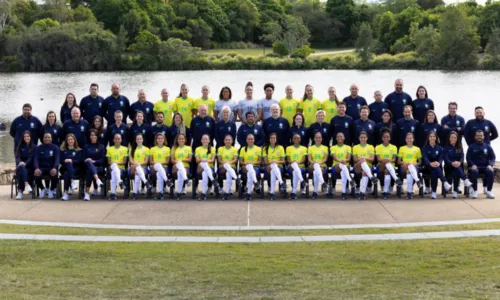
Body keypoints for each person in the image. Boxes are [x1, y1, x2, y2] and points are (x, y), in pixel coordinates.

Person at [422, 131, 452, 199]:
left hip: (437, 166)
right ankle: (445, 182)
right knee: (435, 169)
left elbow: (441, 158)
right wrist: (430, 163)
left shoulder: (439, 148)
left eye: (433, 136)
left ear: (436, 138)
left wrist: (438, 163)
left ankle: (434, 192)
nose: (432, 138)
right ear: (428, 138)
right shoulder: (425, 148)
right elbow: (425, 159)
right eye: (430, 136)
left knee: (435, 171)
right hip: (427, 167)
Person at [466, 130, 496, 199]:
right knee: (473, 172)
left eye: (481, 136)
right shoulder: (471, 147)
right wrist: (472, 164)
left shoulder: (488, 146)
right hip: (475, 167)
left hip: (485, 167)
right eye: (478, 136)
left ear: (483, 137)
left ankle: (489, 191)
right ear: (475, 137)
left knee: (490, 172)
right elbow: (468, 158)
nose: (479, 137)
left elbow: (493, 157)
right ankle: (475, 191)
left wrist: (490, 165)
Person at [444, 131, 472, 199]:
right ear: (449, 138)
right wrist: (452, 163)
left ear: (457, 139)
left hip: (457, 166)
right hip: (449, 167)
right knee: (457, 169)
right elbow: (446, 158)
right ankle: (465, 181)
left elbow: (462, 157)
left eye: (455, 137)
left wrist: (459, 162)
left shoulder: (459, 147)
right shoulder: (446, 147)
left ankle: (455, 192)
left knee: (457, 171)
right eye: (452, 137)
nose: (453, 139)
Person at [375, 130, 402, 199]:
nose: (386, 138)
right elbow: (378, 159)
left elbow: (394, 159)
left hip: (390, 167)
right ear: (382, 138)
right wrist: (386, 160)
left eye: (387, 137)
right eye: (384, 137)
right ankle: (396, 178)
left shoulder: (394, 147)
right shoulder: (378, 147)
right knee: (386, 163)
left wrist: (389, 160)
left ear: (390, 138)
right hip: (380, 166)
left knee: (387, 170)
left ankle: (385, 192)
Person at [33, 132, 60, 199]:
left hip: (51, 168)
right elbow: (36, 159)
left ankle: (51, 189)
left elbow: (57, 159)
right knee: (36, 174)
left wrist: (54, 168)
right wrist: (36, 168)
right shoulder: (39, 148)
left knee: (54, 175)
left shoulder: (55, 148)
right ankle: (42, 189)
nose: (47, 138)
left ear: (51, 139)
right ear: (43, 138)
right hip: (41, 168)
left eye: (49, 137)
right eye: (45, 137)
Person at [397, 132, 423, 199]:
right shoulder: (401, 148)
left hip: (414, 167)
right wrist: (406, 163)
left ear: (413, 139)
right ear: (405, 139)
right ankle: (417, 181)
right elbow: (398, 161)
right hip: (404, 167)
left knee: (409, 170)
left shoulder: (417, 149)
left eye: (411, 138)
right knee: (409, 167)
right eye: (408, 138)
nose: (409, 139)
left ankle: (409, 193)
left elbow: (420, 162)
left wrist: (412, 164)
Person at [352, 131, 377, 200]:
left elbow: (372, 159)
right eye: (361, 137)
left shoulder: (371, 147)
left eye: (364, 137)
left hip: (368, 167)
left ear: (367, 138)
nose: (363, 139)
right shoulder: (355, 147)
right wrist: (361, 159)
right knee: (362, 161)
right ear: (359, 138)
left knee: (364, 172)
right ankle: (371, 177)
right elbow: (354, 160)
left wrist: (364, 158)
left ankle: (362, 193)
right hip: (358, 166)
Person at [330, 132, 355, 200]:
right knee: (342, 167)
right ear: (336, 138)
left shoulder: (348, 147)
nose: (339, 138)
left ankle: (344, 193)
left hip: (345, 166)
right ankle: (350, 180)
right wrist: (341, 161)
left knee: (343, 172)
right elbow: (334, 157)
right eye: (338, 136)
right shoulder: (333, 147)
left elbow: (349, 158)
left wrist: (345, 160)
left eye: (341, 136)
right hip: (336, 166)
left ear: (344, 138)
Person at [82, 129, 105, 201]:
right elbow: (83, 158)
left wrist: (93, 161)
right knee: (89, 163)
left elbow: (102, 160)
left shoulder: (101, 146)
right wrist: (89, 161)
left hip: (99, 167)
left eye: (94, 135)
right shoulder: (86, 146)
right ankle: (97, 179)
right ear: (89, 136)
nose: (93, 136)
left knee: (90, 170)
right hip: (87, 166)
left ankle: (87, 193)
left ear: (97, 136)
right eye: (91, 135)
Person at [129, 133, 153, 200]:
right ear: (135, 140)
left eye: (140, 139)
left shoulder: (146, 149)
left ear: (142, 140)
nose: (139, 140)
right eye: (137, 139)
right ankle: (145, 182)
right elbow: (130, 161)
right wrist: (136, 164)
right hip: (132, 167)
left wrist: (139, 164)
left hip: (143, 167)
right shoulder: (132, 149)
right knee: (137, 169)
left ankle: (135, 193)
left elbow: (146, 161)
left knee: (137, 172)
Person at [60, 134, 83, 201]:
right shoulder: (63, 150)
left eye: (72, 139)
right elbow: (61, 161)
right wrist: (65, 160)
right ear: (66, 141)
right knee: (67, 168)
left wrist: (71, 161)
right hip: (64, 168)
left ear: (74, 140)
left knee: (67, 173)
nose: (70, 141)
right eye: (69, 140)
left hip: (75, 169)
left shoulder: (78, 150)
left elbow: (79, 160)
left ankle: (65, 193)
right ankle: (72, 181)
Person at [263, 133, 286, 200]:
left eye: (274, 138)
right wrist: (271, 162)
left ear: (276, 139)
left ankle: (272, 193)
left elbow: (283, 161)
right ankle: (281, 182)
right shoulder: (265, 148)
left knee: (273, 170)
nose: (273, 139)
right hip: (268, 167)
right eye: (271, 138)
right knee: (273, 166)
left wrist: (276, 162)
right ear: (269, 139)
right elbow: (266, 162)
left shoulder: (280, 147)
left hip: (279, 167)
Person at [239, 134, 262, 201]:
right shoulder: (243, 149)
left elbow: (260, 162)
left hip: (255, 168)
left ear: (254, 140)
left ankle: (248, 194)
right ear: (246, 140)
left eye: (251, 139)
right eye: (249, 139)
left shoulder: (258, 149)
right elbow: (240, 162)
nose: (250, 140)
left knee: (250, 172)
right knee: (249, 168)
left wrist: (252, 163)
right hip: (245, 168)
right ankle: (256, 183)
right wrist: (246, 163)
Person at [195, 134, 218, 201]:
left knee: (205, 173)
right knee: (203, 163)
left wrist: (205, 160)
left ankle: (203, 194)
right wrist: (203, 160)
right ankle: (212, 180)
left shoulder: (212, 148)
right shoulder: (198, 149)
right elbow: (197, 160)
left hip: (210, 168)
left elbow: (213, 160)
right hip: (200, 168)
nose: (205, 140)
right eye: (203, 139)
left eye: (206, 139)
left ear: (209, 140)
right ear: (201, 140)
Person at [106, 133, 128, 200]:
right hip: (111, 168)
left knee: (114, 172)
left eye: (119, 139)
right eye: (116, 139)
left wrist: (116, 163)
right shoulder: (109, 149)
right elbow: (109, 162)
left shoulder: (125, 149)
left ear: (121, 140)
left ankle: (113, 194)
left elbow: (124, 162)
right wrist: (114, 164)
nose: (117, 140)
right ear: (113, 140)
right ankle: (120, 182)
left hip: (121, 169)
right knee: (114, 167)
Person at [150, 133, 171, 200]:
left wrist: (159, 163)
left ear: (164, 139)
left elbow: (167, 161)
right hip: (154, 167)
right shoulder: (152, 149)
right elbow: (150, 161)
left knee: (159, 173)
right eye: (158, 138)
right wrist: (158, 163)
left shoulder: (167, 149)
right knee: (158, 165)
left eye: (161, 138)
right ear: (156, 140)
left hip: (164, 167)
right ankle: (166, 180)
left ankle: (160, 193)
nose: (160, 140)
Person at [171, 133, 192, 200]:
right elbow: (172, 160)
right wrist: (178, 162)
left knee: (180, 172)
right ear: (177, 140)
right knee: (179, 165)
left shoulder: (189, 148)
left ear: (185, 140)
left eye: (182, 138)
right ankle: (186, 180)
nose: (181, 140)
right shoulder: (174, 148)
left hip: (185, 167)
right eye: (179, 139)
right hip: (175, 167)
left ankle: (179, 193)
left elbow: (189, 159)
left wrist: (181, 160)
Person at [217, 135, 239, 200]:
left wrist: (229, 163)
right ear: (224, 141)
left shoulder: (235, 149)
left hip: (232, 168)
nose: (228, 141)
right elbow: (219, 160)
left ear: (232, 141)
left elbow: (235, 160)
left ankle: (227, 193)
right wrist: (226, 163)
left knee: (228, 173)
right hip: (222, 168)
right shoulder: (220, 149)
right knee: (226, 166)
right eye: (226, 140)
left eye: (229, 140)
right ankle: (236, 178)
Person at [15, 131, 35, 200]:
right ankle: (26, 184)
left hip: (29, 167)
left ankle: (20, 192)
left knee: (21, 171)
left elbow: (31, 158)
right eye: (25, 136)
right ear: (23, 138)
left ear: (30, 137)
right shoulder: (20, 146)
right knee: (21, 168)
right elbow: (17, 157)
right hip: (21, 166)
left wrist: (25, 163)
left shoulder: (34, 147)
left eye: (28, 136)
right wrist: (20, 162)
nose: (26, 138)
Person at [308, 132, 328, 199]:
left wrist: (318, 163)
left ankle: (315, 192)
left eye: (319, 137)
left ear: (321, 139)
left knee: (315, 172)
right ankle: (323, 182)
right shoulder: (310, 148)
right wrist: (315, 163)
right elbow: (309, 159)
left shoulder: (325, 148)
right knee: (316, 167)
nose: (318, 139)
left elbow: (325, 159)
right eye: (316, 137)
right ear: (314, 139)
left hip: (322, 166)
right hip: (312, 165)